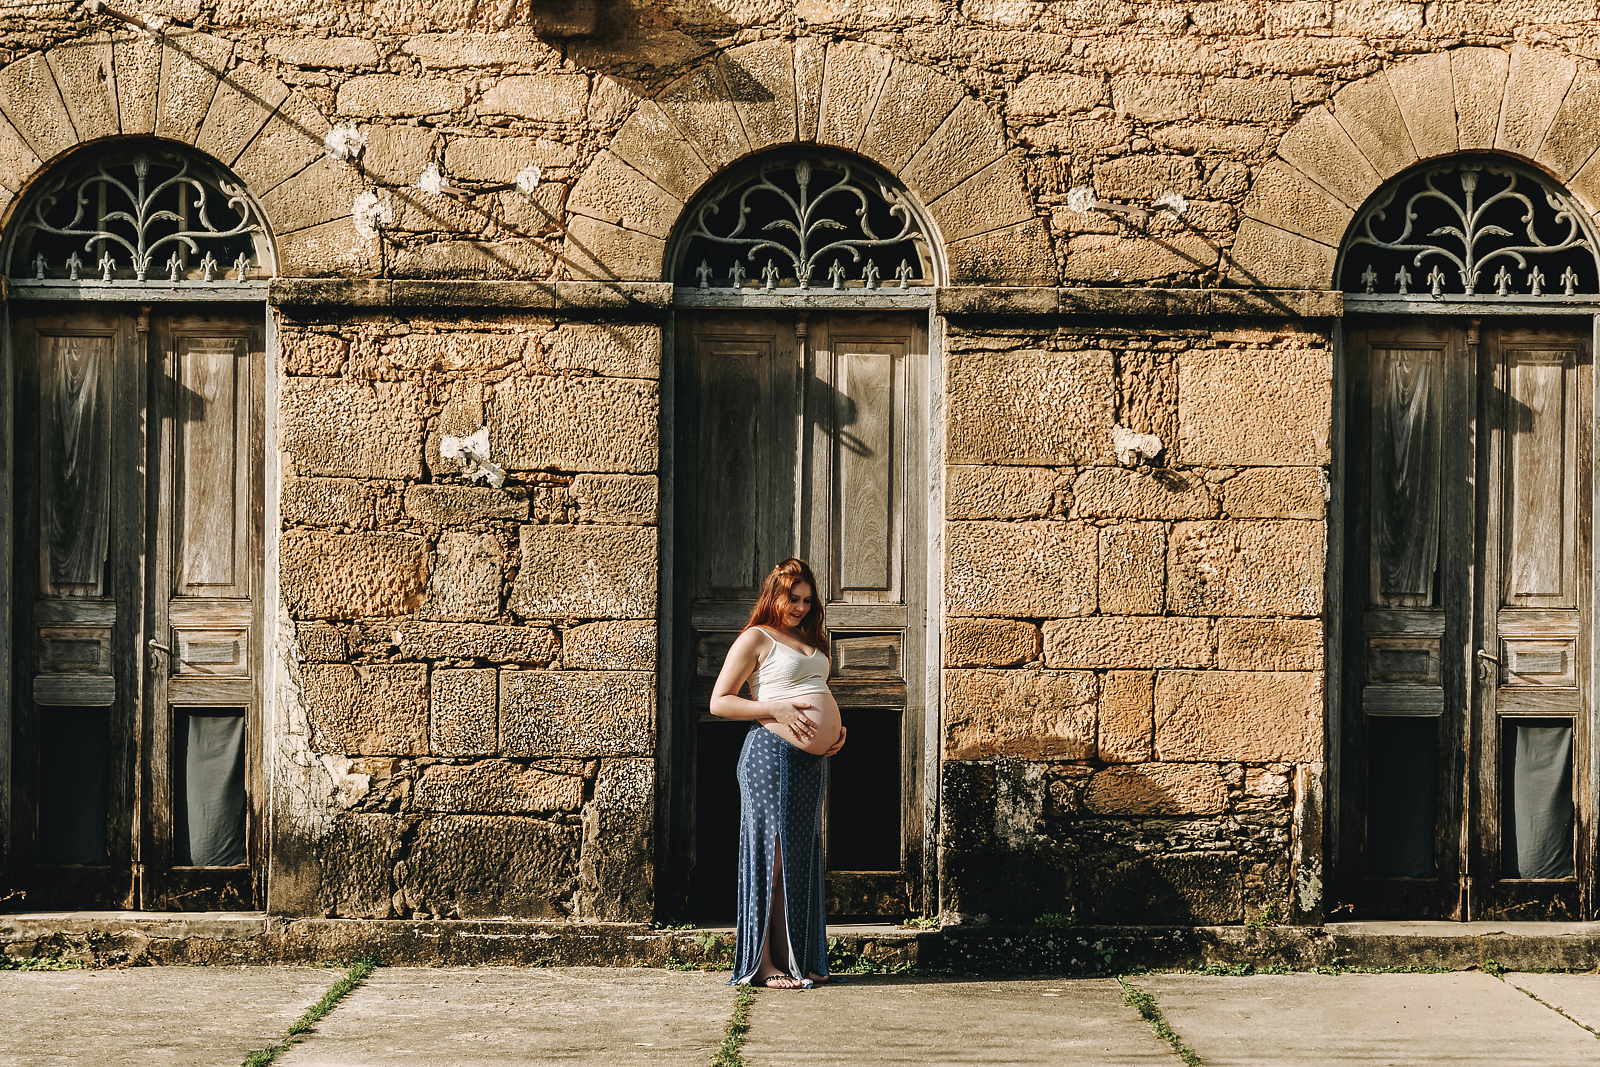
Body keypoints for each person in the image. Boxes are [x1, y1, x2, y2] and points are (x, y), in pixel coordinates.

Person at [709, 558, 847, 989]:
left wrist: (835, 732)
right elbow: (720, 701)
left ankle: (797, 959)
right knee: (772, 855)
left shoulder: (810, 638)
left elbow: (816, 693)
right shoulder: (756, 637)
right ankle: (764, 964)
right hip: (770, 755)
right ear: (775, 595)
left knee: (800, 857)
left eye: (807, 600)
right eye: (793, 599)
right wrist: (775, 708)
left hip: (810, 761)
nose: (801, 608)